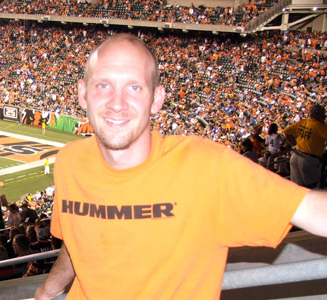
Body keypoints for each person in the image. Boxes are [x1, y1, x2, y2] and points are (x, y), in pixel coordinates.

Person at [35, 34, 327, 300]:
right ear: (82, 93)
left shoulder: (205, 166)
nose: (117, 103)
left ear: (157, 99)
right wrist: (48, 290)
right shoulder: (70, 161)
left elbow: (314, 211)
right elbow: (76, 242)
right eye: (104, 85)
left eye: (134, 87)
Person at [284, 104, 327, 188]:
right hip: (309, 160)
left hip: (295, 156)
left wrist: (295, 144)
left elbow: (286, 131)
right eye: (323, 114)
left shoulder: (303, 122)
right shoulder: (319, 126)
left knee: (298, 188)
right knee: (312, 188)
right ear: (317, 115)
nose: (324, 116)